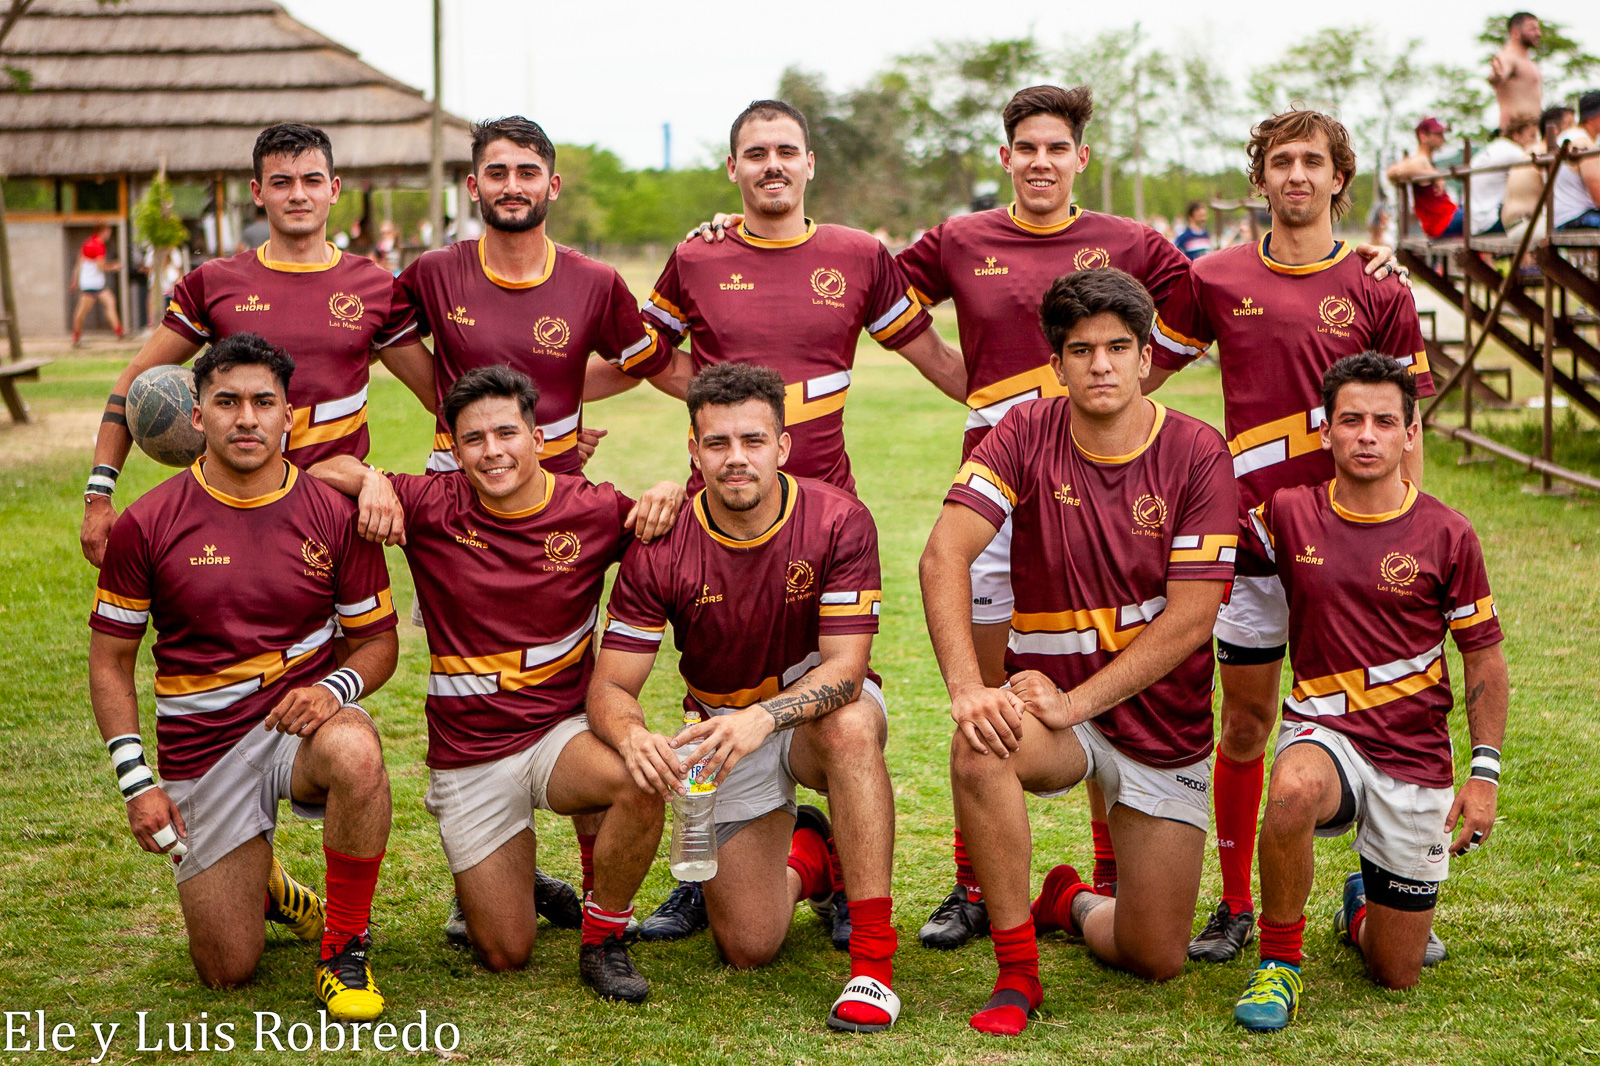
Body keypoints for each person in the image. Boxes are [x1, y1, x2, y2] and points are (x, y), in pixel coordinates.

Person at [1147, 107, 1432, 965]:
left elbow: (1409, 425)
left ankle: (1377, 884)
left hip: (1355, 543)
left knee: (1375, 718)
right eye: (1281, 161)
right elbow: (1134, 372)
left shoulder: (1380, 286)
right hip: (1252, 542)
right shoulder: (1215, 277)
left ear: (1339, 178)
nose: (1297, 175)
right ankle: (1237, 904)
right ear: (1261, 177)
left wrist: (1406, 533)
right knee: (1244, 724)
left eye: (1313, 161)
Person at [924, 267, 1237, 1035]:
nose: (1101, 365)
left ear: (1146, 357)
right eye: (1081, 350)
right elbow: (943, 555)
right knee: (979, 746)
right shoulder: (1023, 432)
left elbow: (1193, 618)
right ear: (1057, 364)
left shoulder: (1198, 451)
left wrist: (1075, 701)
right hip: (1055, 721)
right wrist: (968, 688)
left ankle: (1068, 899)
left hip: (1159, 723)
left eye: (1118, 348)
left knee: (1155, 955)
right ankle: (1016, 972)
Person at [308, 365, 683, 1002]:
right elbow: (321, 470)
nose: (492, 451)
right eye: (473, 439)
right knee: (506, 952)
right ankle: (514, 877)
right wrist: (370, 480)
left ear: (538, 438)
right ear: (455, 451)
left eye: (506, 433)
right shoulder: (431, 503)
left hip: (559, 735)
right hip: (470, 752)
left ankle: (604, 939)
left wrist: (670, 488)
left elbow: (673, 532)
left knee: (637, 778)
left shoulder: (591, 508)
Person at [87, 333, 399, 1020]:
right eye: (227, 402)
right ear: (197, 416)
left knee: (356, 750)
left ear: (290, 414)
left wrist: (332, 690)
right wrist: (137, 783)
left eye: (264, 402)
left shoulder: (331, 513)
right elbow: (110, 661)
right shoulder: (148, 523)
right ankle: (270, 885)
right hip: (203, 747)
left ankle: (344, 949)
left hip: (300, 727)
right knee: (227, 971)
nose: (247, 418)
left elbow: (378, 643)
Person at [588, 364, 902, 1033]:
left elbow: (847, 671)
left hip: (813, 714)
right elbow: (611, 685)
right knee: (749, 945)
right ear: (694, 450)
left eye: (753, 440)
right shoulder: (662, 543)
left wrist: (764, 717)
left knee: (850, 726)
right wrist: (634, 736)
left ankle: (874, 966)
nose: (736, 458)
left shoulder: (838, 519)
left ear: (782, 446)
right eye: (718, 443)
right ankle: (810, 855)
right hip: (722, 729)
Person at [1229, 352, 1507, 1031]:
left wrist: (1484, 775)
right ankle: (1279, 964)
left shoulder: (1448, 533)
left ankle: (1363, 906)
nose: (1367, 435)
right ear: (1325, 430)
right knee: (1291, 789)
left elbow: (1483, 658)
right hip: (1323, 732)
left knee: (1396, 971)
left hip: (1414, 755)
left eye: (1385, 422)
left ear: (1410, 435)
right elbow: (1200, 548)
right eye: (1350, 420)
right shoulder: (1285, 515)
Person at [80, 123, 436, 569]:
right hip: (230, 510)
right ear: (257, 192)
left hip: (335, 512)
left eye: (312, 180)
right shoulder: (214, 284)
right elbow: (135, 381)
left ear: (334, 190)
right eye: (281, 182)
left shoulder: (376, 288)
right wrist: (99, 493)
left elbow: (438, 398)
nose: (298, 195)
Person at [631, 98, 965, 496]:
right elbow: (639, 355)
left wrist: (1027, 407)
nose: (773, 164)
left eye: (786, 152)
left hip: (829, 504)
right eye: (756, 154)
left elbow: (940, 361)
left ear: (809, 164)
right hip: (719, 504)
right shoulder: (696, 258)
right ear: (732, 168)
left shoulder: (860, 255)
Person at [398, 116, 676, 477]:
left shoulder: (596, 282)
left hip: (557, 487)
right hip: (454, 488)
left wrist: (557, 407)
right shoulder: (435, 271)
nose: (512, 187)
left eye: (528, 174)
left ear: (553, 186)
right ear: (474, 186)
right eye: (497, 174)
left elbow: (634, 366)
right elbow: (382, 334)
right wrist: (443, 399)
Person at [1386, 118, 1461, 239]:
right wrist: (1434, 175)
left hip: (1448, 217)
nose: (1443, 138)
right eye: (1438, 134)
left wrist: (1434, 174)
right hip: (1443, 222)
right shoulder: (1420, 160)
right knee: (1483, 217)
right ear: (1423, 136)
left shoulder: (1426, 161)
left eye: (1443, 134)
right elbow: (1394, 172)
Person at [1468, 115, 1543, 236]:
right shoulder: (1514, 152)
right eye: (1532, 136)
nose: (1535, 141)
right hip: (1493, 220)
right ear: (1516, 135)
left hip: (1475, 222)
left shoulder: (1496, 147)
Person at [1488, 13, 1544, 136]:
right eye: (1532, 29)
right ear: (1515, 32)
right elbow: (1498, 76)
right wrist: (1497, 76)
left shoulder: (1528, 61)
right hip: (1512, 134)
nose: (1538, 33)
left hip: (1531, 135)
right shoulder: (1508, 57)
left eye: (1538, 29)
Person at [1551, 91, 1600, 230]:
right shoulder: (1584, 143)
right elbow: (1598, 194)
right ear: (1594, 116)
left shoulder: (1565, 137)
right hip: (1578, 218)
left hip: (1560, 219)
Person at [71, 223, 124, 346]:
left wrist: (74, 280)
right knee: (82, 311)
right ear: (103, 231)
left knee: (109, 302)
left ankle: (119, 332)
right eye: (108, 232)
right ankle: (76, 337)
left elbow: (79, 262)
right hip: (93, 284)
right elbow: (101, 266)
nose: (109, 235)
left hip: (89, 283)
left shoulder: (87, 242)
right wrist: (114, 266)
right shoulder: (99, 246)